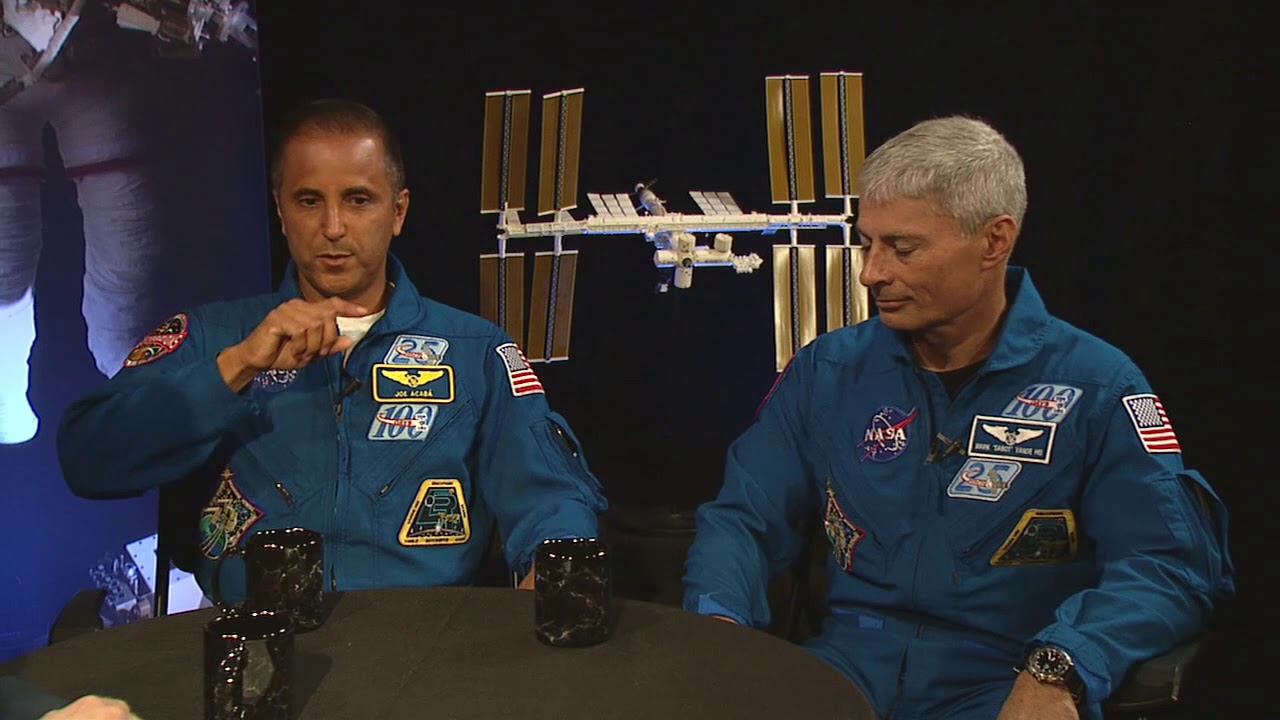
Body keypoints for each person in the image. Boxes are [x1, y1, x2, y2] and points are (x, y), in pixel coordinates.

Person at [681, 116, 1233, 719]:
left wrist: (1063, 663)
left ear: (994, 241)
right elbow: (743, 519)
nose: (872, 273)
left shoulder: (1099, 385)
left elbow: (1168, 566)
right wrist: (719, 626)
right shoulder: (828, 370)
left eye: (903, 248)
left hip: (1003, 678)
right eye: (868, 243)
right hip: (845, 668)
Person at [56, 98, 606, 599]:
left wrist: (549, 574)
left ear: (398, 211)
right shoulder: (211, 337)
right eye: (309, 201)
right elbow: (88, 460)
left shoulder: (476, 350)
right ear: (280, 209)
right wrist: (239, 366)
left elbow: (552, 497)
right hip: (259, 638)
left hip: (427, 647)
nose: (333, 227)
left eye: (359, 200)